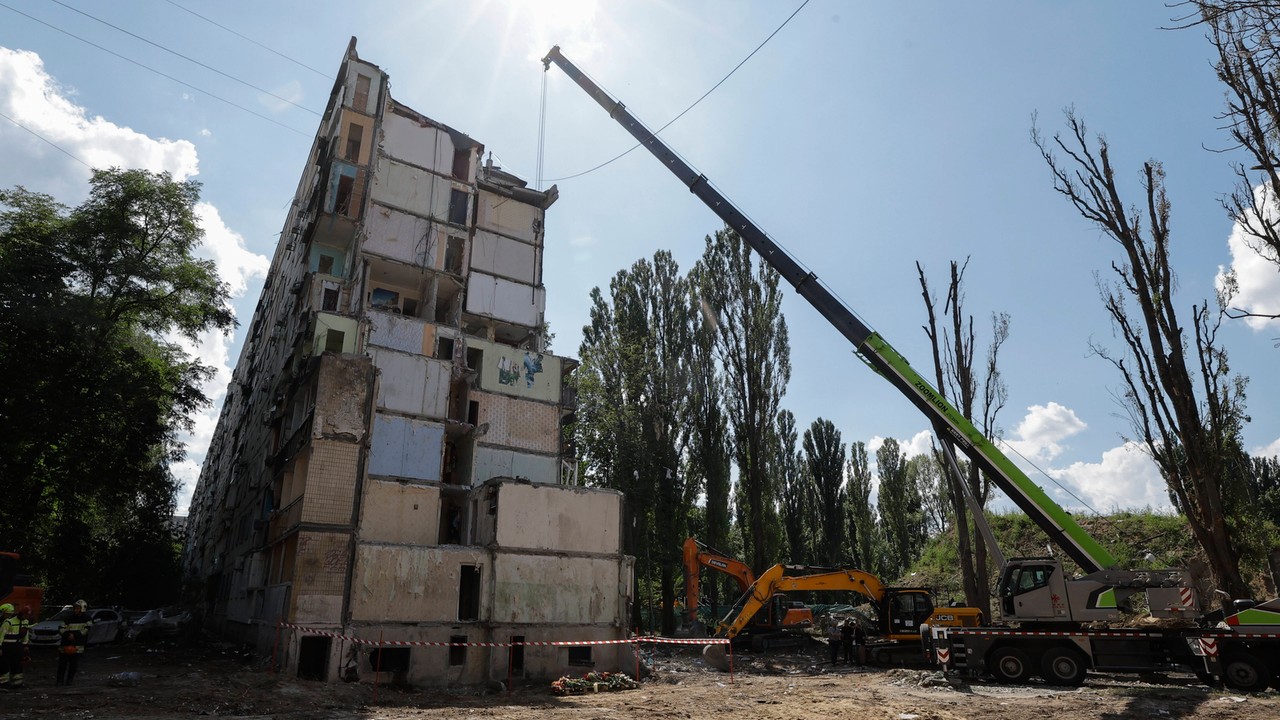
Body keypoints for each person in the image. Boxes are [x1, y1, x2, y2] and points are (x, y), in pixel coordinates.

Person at [56, 600, 94, 686]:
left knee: (73, 665)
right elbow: (61, 628)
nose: (76, 610)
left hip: (77, 645)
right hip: (65, 644)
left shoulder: (87, 619)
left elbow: (86, 630)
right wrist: (67, 635)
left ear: (83, 609)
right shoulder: (68, 618)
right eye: (75, 608)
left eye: (78, 608)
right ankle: (59, 681)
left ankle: (69, 681)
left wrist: (75, 635)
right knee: (62, 665)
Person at [0, 603, 24, 689]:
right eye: (7, 614)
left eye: (10, 614)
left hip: (12, 646)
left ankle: (16, 683)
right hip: (5, 646)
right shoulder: (5, 622)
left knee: (14, 664)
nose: (8, 616)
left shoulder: (9, 622)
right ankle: (3, 683)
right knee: (4, 664)